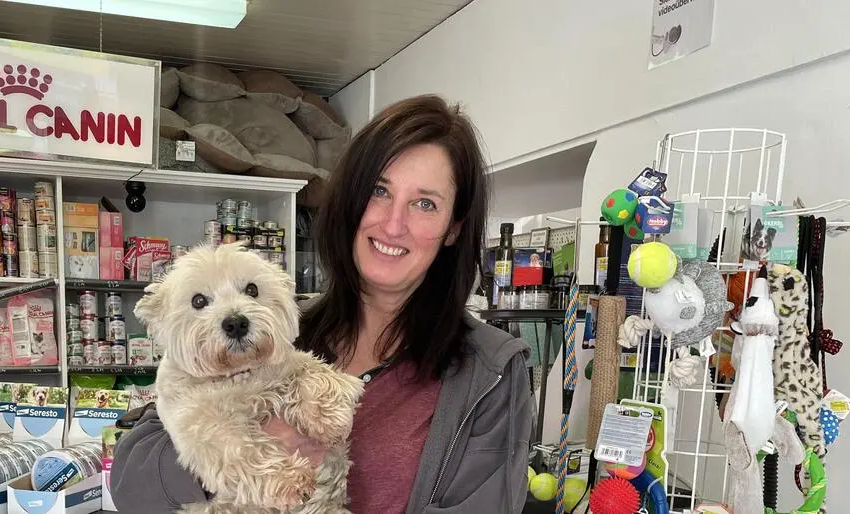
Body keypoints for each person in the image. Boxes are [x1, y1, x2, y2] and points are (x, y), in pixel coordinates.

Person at [111, 94, 533, 513]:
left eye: (425, 204)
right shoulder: (285, 330)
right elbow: (131, 484)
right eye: (379, 190)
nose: (393, 223)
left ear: (454, 228)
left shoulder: (490, 371)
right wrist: (235, 457)